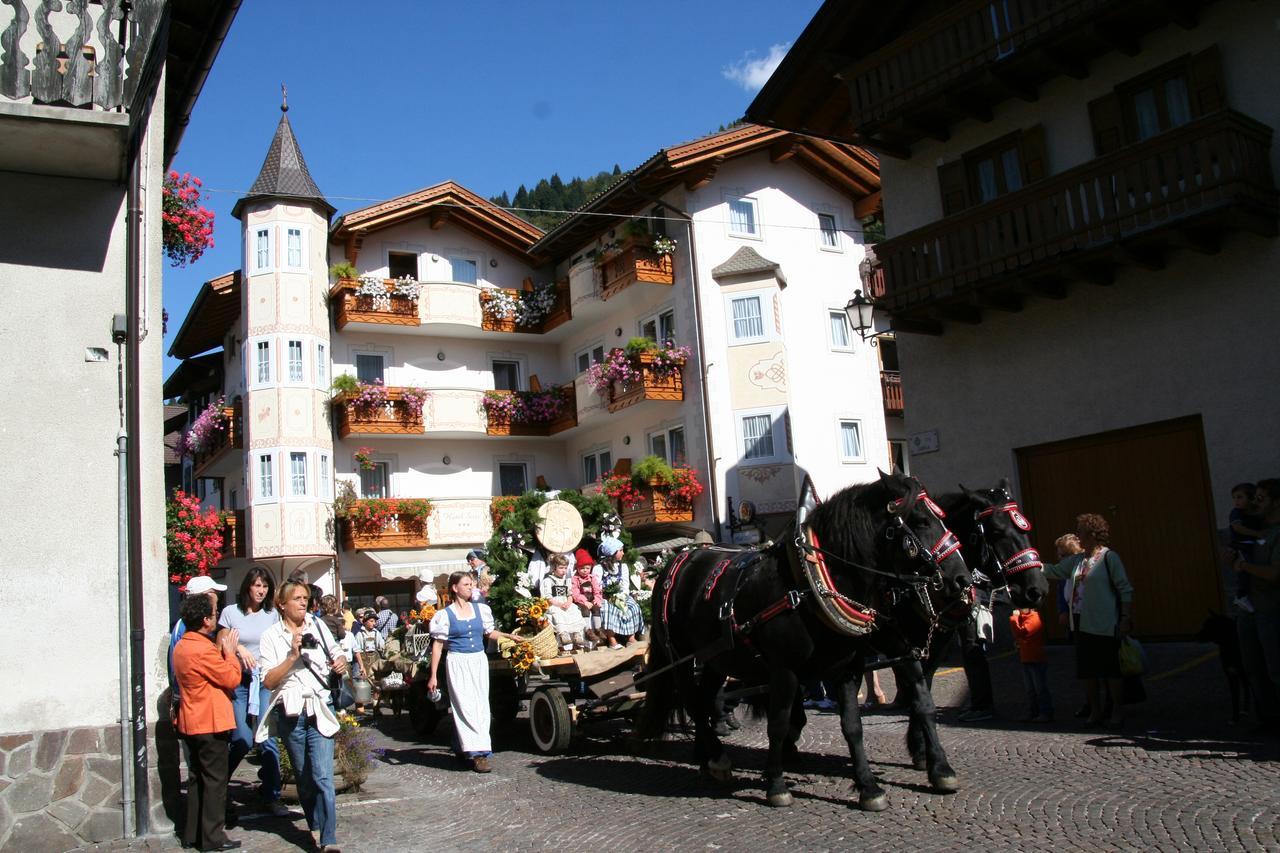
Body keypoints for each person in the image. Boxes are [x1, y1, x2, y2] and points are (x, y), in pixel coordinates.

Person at [256, 581, 349, 853]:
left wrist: (341, 660)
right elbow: (268, 682)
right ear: (282, 604)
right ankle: (315, 822)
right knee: (304, 778)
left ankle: (329, 839)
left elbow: (336, 651)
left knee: (323, 777)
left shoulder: (318, 626)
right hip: (291, 712)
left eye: (305, 598)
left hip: (320, 707)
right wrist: (292, 656)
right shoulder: (271, 636)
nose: (303, 602)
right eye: (296, 598)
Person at [1043, 513, 1134, 728]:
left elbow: (1125, 589)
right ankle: (1095, 712)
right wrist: (1028, 563)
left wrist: (1125, 618)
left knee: (1110, 670)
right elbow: (1055, 571)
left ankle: (1117, 712)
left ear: (1092, 534)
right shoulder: (1077, 560)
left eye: (1080, 531)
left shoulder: (1109, 558)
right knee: (1087, 671)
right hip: (1080, 622)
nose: (1077, 535)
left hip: (1103, 622)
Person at [426, 572, 519, 773]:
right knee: (464, 706)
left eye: (471, 584)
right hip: (458, 661)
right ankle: (478, 755)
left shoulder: (481, 610)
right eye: (466, 584)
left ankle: (467, 746)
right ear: (454, 588)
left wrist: (507, 636)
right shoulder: (445, 615)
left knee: (480, 705)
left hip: (478, 659)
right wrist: (433, 676)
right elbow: (438, 646)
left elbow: (489, 633)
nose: (470, 587)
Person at [172, 591, 243, 852]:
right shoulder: (202, 648)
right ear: (205, 620)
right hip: (210, 721)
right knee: (215, 781)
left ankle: (193, 833)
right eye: (213, 615)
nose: (215, 619)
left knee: (196, 779)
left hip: (191, 720)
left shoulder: (182, 645)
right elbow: (231, 678)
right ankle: (213, 838)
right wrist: (231, 653)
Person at [217, 567, 287, 817]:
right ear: (248, 586)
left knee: (268, 739)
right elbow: (221, 646)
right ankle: (218, 785)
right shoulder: (230, 613)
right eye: (257, 585)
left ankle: (272, 795)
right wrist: (239, 651)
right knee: (242, 739)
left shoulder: (272, 615)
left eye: (265, 586)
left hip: (263, 681)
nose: (261, 590)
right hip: (239, 682)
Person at [1231, 478, 1280, 729]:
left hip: (1271, 608)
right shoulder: (1253, 527)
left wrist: (1245, 566)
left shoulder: (1275, 534)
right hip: (1249, 606)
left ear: (1276, 502)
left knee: (1275, 666)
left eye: (1261, 499)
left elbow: (1274, 573)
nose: (1254, 503)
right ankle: (1268, 717)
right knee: (1253, 665)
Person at [598, 537, 644, 648]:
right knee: (609, 609)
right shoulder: (599, 568)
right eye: (621, 550)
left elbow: (625, 585)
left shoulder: (623, 567)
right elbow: (598, 586)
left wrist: (622, 596)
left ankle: (631, 637)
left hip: (621, 595)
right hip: (606, 597)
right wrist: (609, 595)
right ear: (613, 552)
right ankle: (612, 640)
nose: (623, 553)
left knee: (633, 606)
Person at [1011, 606, 1054, 723]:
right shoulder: (1024, 618)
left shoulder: (1034, 618)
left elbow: (1021, 632)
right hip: (1026, 659)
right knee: (1030, 689)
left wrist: (1014, 618)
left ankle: (1045, 712)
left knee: (1040, 688)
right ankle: (1033, 711)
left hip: (1036, 660)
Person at [1229, 483, 1266, 614]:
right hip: (1241, 545)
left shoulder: (1256, 512)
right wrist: (1257, 534)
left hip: (1255, 544)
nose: (1236, 501)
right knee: (1244, 568)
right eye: (1234, 498)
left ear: (1251, 498)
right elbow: (1237, 528)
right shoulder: (1236, 513)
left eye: (1240, 497)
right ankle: (1241, 595)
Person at [541, 554, 586, 653]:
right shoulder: (548, 580)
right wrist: (560, 604)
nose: (564, 571)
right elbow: (548, 598)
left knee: (575, 610)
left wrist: (569, 602)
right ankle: (563, 635)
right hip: (555, 604)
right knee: (557, 613)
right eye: (561, 568)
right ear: (553, 568)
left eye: (565, 568)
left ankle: (576, 634)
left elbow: (570, 594)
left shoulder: (566, 580)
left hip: (565, 603)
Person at [571, 552, 605, 648]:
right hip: (581, 602)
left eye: (587, 568)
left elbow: (597, 590)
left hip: (591, 600)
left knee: (596, 609)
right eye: (582, 568)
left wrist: (596, 600)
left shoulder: (592, 578)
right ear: (577, 568)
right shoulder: (575, 579)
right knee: (585, 611)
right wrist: (584, 602)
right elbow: (575, 592)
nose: (585, 571)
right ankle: (588, 630)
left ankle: (598, 629)